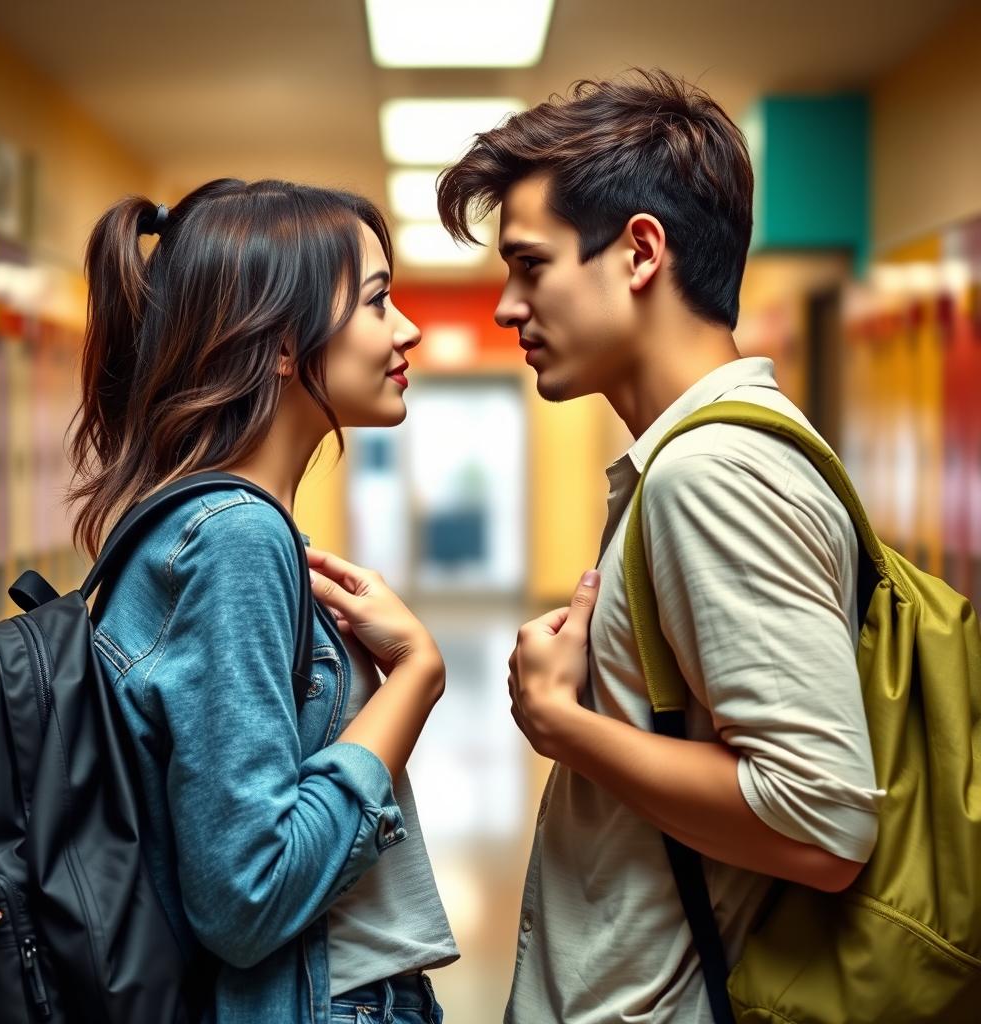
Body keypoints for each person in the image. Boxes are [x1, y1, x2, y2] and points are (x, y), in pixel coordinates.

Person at [437, 69, 884, 1023]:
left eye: (531, 264)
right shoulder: (698, 456)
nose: (508, 308)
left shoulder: (710, 473)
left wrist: (566, 728)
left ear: (640, 251)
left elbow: (825, 817)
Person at [67, 178, 457, 1024]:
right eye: (379, 300)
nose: (408, 329)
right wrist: (417, 679)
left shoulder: (216, 525)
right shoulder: (235, 539)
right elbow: (249, 895)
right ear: (283, 344)